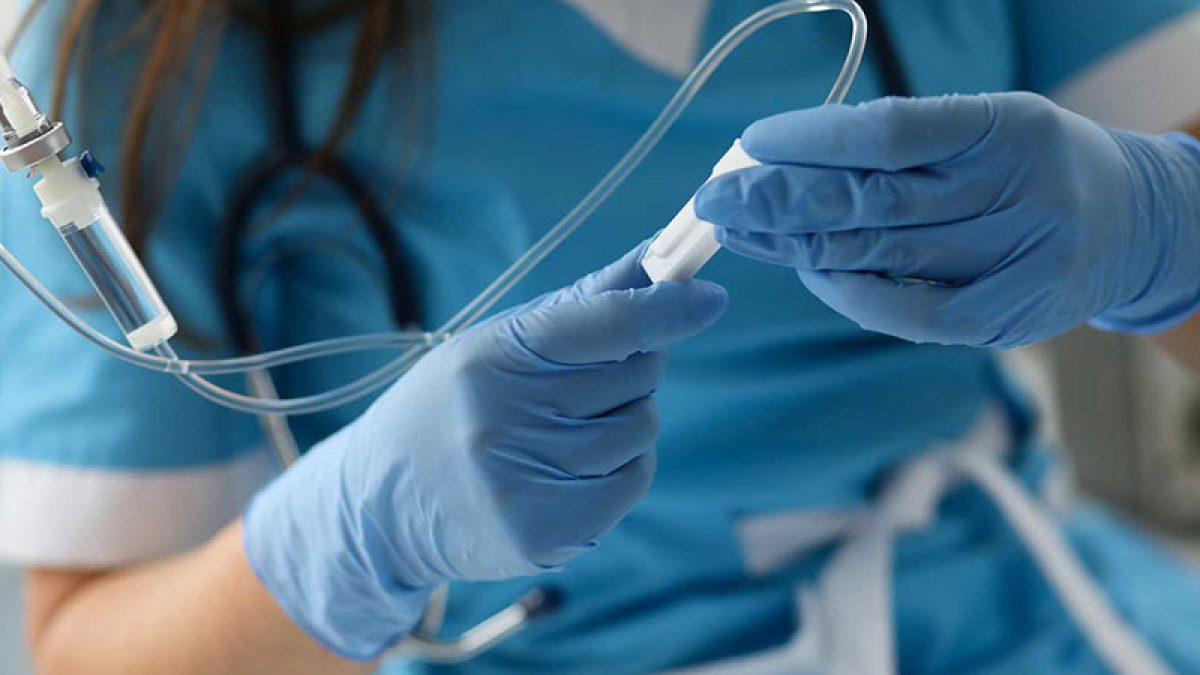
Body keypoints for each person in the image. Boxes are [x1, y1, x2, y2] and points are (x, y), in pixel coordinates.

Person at [3, 1, 1200, 673]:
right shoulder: (127, 68)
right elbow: (90, 651)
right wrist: (340, 546)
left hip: (1011, 622)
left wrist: (1159, 227)